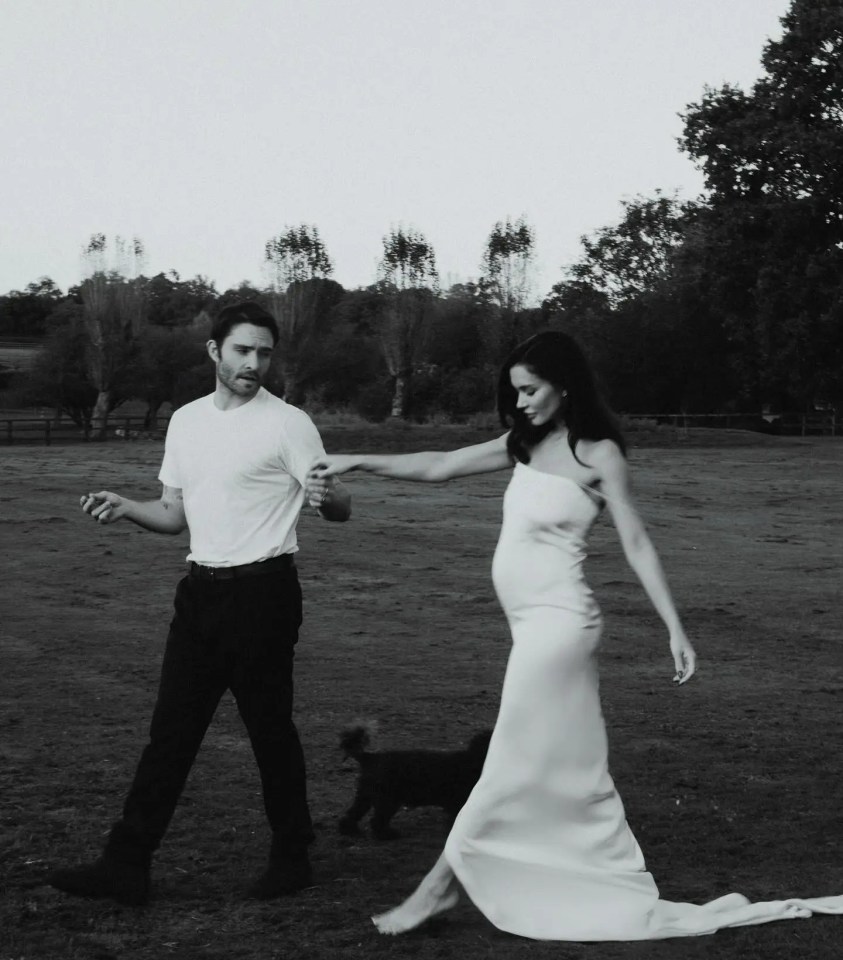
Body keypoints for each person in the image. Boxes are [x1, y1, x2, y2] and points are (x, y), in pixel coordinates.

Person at [309, 331, 842, 940]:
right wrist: (356, 460)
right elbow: (440, 465)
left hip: (561, 628)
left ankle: (434, 893)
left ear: (564, 383)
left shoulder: (600, 455)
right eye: (515, 393)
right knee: (552, 769)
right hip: (531, 626)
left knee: (507, 764)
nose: (522, 403)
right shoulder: (525, 444)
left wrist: (675, 628)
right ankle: (549, 877)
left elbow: (636, 542)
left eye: (531, 390)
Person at [48, 301, 350, 906]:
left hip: (263, 595)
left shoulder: (288, 423)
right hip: (199, 596)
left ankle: (293, 858)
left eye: (264, 352)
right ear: (214, 351)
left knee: (270, 733)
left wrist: (327, 496)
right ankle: (125, 865)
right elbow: (174, 514)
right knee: (170, 736)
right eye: (242, 350)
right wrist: (128, 506)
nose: (254, 363)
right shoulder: (186, 421)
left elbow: (339, 507)